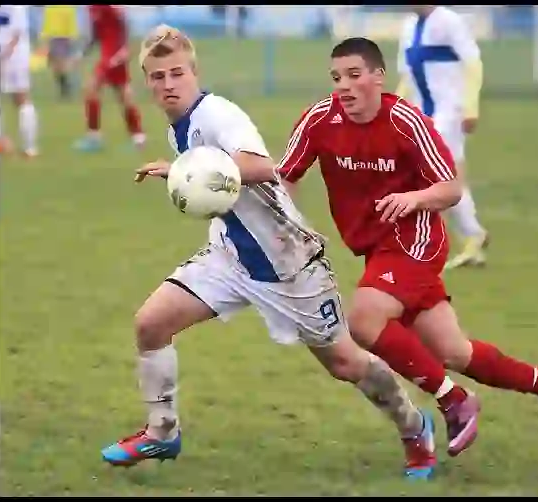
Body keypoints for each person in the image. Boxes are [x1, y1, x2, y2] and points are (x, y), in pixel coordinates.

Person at [100, 25, 443, 479]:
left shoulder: (218, 114)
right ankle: (162, 433)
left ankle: (415, 426)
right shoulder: (178, 129)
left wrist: (192, 168)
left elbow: (265, 167)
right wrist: (183, 170)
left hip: (289, 265)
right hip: (230, 257)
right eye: (158, 76)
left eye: (176, 73)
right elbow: (211, 178)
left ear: (194, 73)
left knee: (345, 362)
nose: (168, 84)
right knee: (150, 323)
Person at [278, 37, 538, 446]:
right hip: (375, 248)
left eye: (355, 75)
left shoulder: (406, 121)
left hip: (415, 240)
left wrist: (413, 199)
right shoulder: (320, 119)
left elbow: (450, 187)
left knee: (364, 320)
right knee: (453, 353)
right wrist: (287, 225)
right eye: (337, 78)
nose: (345, 86)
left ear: (378, 77)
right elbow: (284, 175)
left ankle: (453, 399)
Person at [396, 5, 488, 270]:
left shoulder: (449, 21)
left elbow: (473, 63)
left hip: (450, 112)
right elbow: (408, 76)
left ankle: (426, 242)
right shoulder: (408, 27)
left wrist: (470, 106)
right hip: (425, 114)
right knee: (445, 177)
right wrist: (394, 110)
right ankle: (473, 236)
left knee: (432, 175)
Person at [73, 5, 145, 152]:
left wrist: (125, 49)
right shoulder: (91, 7)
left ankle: (94, 136)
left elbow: (125, 24)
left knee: (92, 88)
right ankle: (138, 138)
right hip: (107, 53)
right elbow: (96, 33)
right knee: (123, 93)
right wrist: (82, 52)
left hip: (115, 53)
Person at [0, 4, 39, 158]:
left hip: (12, 55)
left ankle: (26, 146)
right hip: (13, 55)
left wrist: (2, 55)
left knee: (21, 99)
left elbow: (16, 34)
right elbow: (17, 32)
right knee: (22, 99)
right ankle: (28, 147)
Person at [39, 5, 79, 99]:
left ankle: (66, 87)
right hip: (52, 38)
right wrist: (45, 38)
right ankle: (65, 86)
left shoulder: (68, 8)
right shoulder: (49, 8)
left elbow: (71, 23)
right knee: (55, 66)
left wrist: (72, 36)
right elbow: (46, 24)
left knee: (61, 64)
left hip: (63, 38)